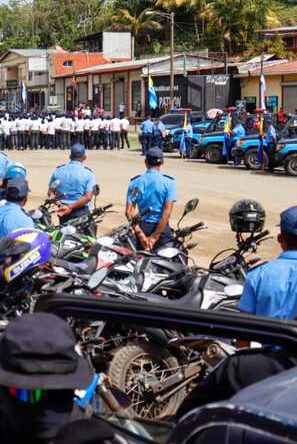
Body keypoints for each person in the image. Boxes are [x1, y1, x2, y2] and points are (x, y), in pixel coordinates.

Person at [176, 206, 297, 418]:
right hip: (287, 368)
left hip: (266, 368)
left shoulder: (259, 275)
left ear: (280, 239)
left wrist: (242, 364)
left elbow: (243, 334)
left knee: (196, 409)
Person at [0, 313, 111, 444]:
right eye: (29, 394)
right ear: (2, 387)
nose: (44, 410)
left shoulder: (89, 438)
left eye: (58, 394)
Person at [126, 147, 176, 251]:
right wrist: (154, 237)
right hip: (162, 229)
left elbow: (128, 212)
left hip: (142, 227)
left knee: (140, 259)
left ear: (145, 162)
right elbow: (166, 213)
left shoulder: (135, 182)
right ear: (162, 162)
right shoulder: (169, 183)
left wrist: (140, 234)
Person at [49, 144, 96, 224]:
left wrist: (60, 205)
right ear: (84, 157)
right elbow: (88, 197)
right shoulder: (88, 174)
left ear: (70, 156)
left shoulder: (58, 171)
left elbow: (50, 193)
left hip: (63, 211)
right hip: (81, 211)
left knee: (64, 231)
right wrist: (69, 207)